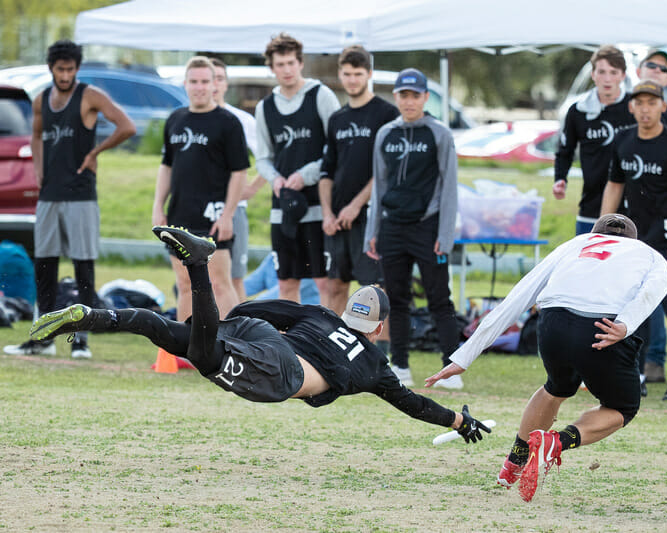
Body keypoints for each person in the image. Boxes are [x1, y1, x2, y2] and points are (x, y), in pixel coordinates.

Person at [29, 226, 492, 445]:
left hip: (261, 337)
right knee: (205, 357)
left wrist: (231, 325)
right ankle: (198, 263)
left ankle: (88, 316)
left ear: (348, 309)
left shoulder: (316, 314)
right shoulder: (375, 366)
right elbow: (414, 405)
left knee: (166, 331)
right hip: (281, 372)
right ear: (378, 327)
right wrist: (459, 421)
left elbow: (255, 309)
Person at [425, 214, 667, 501]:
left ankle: (514, 461)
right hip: (605, 325)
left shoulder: (575, 243)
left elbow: (518, 296)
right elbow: (655, 289)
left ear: (595, 234)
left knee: (557, 387)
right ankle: (554, 442)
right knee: (622, 408)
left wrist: (464, 357)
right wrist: (626, 324)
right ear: (633, 240)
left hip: (553, 322)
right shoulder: (649, 254)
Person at [3, 39, 135, 359]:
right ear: (52, 69)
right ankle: (42, 340)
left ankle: (81, 341)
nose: (65, 75)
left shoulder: (89, 96)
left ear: (77, 69)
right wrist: (38, 169)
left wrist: (95, 152)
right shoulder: (40, 101)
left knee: (82, 268)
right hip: (49, 195)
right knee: (45, 267)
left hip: (81, 195)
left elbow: (126, 126)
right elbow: (36, 135)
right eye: (61, 69)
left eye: (71, 69)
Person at [364, 68, 462, 389]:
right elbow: (379, 186)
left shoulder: (439, 134)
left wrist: (444, 235)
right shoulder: (385, 134)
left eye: (415, 95)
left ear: (424, 97)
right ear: (396, 97)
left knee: (439, 298)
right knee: (396, 299)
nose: (409, 101)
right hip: (392, 228)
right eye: (403, 95)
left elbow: (450, 188)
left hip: (427, 228)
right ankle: (400, 364)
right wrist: (372, 231)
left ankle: (450, 366)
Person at [601, 80, 667, 401]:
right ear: (631, 107)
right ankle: (636, 375)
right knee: (631, 308)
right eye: (639, 103)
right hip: (632, 242)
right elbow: (614, 187)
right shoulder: (623, 141)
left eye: (651, 103)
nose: (645, 109)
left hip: (666, 240)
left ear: (662, 107)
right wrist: (601, 232)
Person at [244, 33, 340, 305]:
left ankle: (327, 346)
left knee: (325, 283)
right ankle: (289, 346)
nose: (286, 70)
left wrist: (306, 175)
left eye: (290, 63)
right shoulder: (265, 107)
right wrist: (275, 179)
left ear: (300, 63)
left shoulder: (320, 95)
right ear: (272, 68)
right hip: (283, 210)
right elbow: (263, 158)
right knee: (286, 283)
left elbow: (336, 148)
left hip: (318, 207)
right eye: (280, 64)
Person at [152, 56, 249, 323]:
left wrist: (228, 214)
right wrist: (158, 206)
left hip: (214, 217)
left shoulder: (228, 123)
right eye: (194, 82)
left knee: (219, 283)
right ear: (185, 84)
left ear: (214, 84)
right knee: (184, 285)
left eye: (205, 81)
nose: (200, 87)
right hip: (181, 215)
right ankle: (186, 351)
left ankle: (234, 347)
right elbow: (167, 166)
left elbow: (240, 172)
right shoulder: (176, 119)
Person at [554, 46, 667, 236]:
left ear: (622, 76)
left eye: (613, 72)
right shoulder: (578, 110)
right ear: (593, 74)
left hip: (632, 210)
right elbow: (565, 150)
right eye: (602, 72)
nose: (607, 79)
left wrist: (656, 87)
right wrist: (560, 178)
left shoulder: (635, 105)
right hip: (592, 207)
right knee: (589, 263)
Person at [320, 45, 399, 318]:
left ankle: (381, 353)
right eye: (347, 74)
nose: (352, 79)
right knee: (335, 285)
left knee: (376, 289)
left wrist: (356, 205)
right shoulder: (337, 119)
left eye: (357, 73)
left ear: (369, 74)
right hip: (337, 219)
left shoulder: (387, 115)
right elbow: (326, 171)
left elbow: (386, 171)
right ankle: (331, 351)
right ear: (340, 75)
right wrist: (327, 213)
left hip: (370, 217)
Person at [635, 48, 667, 382]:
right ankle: (631, 366)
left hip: (662, 229)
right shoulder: (627, 125)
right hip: (628, 226)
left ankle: (661, 366)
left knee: (664, 301)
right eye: (651, 65)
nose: (656, 70)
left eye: (663, 69)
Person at [210, 58, 258, 303]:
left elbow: (269, 158)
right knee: (201, 281)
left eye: (219, 78)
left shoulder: (241, 120)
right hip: (198, 210)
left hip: (232, 210)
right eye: (210, 78)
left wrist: (250, 188)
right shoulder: (189, 118)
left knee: (233, 279)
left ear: (226, 84)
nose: (214, 84)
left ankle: (242, 337)